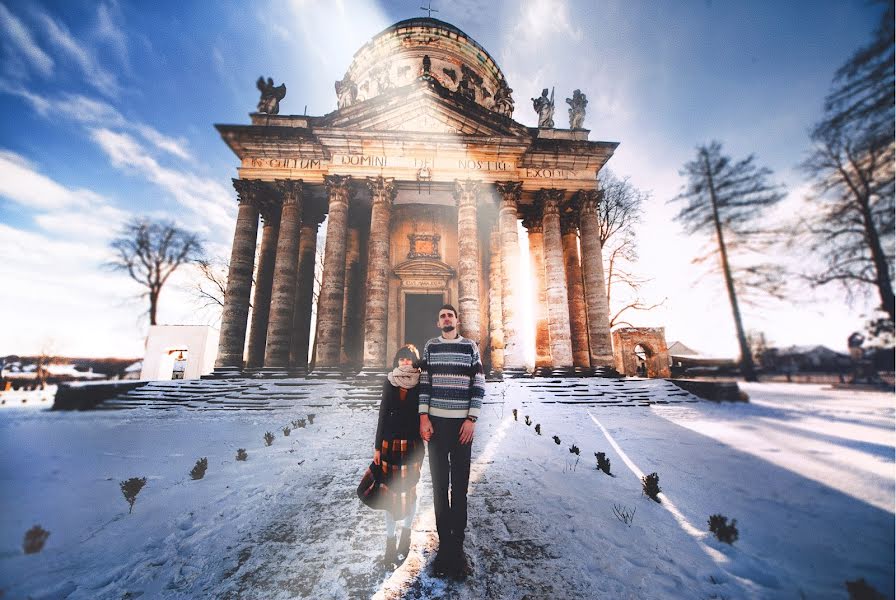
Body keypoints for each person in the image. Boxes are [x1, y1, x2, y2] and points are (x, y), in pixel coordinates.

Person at [419, 304, 486, 578]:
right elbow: (425, 383)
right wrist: (424, 417)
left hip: (462, 427)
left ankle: (457, 548)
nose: (446, 319)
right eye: (442, 316)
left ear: (457, 321)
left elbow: (479, 383)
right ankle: (443, 545)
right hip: (436, 424)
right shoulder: (431, 348)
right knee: (438, 486)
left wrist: (471, 419)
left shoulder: (470, 347)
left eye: (450, 315)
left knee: (459, 487)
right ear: (438, 323)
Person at [373, 344, 424, 567]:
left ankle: (406, 535)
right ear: (397, 361)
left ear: (414, 362)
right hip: (390, 443)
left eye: (409, 359)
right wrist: (377, 446)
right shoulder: (390, 380)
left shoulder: (421, 382)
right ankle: (390, 542)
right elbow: (383, 412)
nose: (405, 362)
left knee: (410, 492)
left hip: (412, 444)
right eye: (402, 359)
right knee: (389, 494)